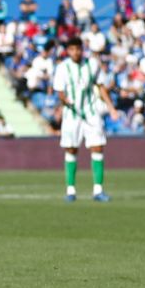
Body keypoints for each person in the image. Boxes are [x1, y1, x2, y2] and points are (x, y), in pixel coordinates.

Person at [52, 36, 114, 203]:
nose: (75, 52)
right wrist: (65, 100)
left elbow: (101, 86)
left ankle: (98, 190)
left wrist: (111, 108)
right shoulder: (63, 68)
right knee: (71, 150)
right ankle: (71, 190)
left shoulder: (92, 64)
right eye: (72, 49)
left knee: (98, 147)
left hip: (91, 112)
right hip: (72, 114)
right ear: (68, 51)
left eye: (78, 49)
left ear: (82, 49)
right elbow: (59, 91)